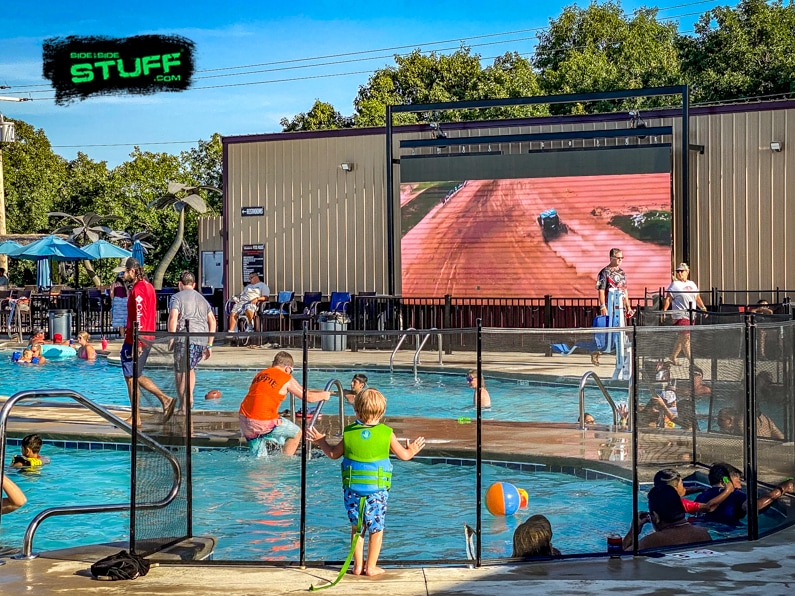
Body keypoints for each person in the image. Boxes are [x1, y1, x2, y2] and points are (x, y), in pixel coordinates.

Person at [307, 388, 426, 577]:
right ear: (381, 412)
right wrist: (412, 449)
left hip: (352, 491)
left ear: (356, 411)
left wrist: (321, 440)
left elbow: (332, 454)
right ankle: (371, 567)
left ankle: (357, 566)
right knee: (376, 529)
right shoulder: (386, 433)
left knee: (357, 528)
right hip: (377, 492)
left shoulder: (349, 433)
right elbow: (404, 456)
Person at [238, 351, 330, 456]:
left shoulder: (261, 374)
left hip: (244, 418)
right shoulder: (285, 377)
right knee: (296, 433)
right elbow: (308, 397)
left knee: (259, 460)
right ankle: (285, 464)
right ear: (288, 368)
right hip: (263, 420)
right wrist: (324, 395)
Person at [120, 257, 176, 426]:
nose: (123, 274)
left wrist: (138, 342)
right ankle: (137, 414)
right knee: (133, 375)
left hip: (137, 338)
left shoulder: (139, 290)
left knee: (132, 376)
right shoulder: (148, 287)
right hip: (142, 337)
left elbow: (140, 315)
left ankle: (162, 400)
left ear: (132, 271)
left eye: (125, 271)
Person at [167, 271, 218, 414]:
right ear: (194, 284)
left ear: (180, 284)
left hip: (184, 338)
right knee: (190, 368)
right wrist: (209, 344)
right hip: (200, 339)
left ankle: (183, 404)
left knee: (180, 370)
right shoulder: (203, 299)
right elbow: (212, 321)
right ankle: (189, 398)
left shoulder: (176, 297)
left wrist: (171, 338)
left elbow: (173, 318)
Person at [695, 462, 794, 526]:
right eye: (738, 481)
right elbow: (753, 507)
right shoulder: (735, 495)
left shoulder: (700, 496)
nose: (740, 486)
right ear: (725, 481)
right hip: (729, 532)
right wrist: (782, 489)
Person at [622, 484, 712, 551]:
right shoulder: (703, 534)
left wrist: (633, 531)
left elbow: (620, 560)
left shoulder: (652, 541)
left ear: (656, 517)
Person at [662, 263, 707, 365]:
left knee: (682, 337)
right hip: (679, 315)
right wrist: (664, 311)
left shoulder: (692, 284)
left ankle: (673, 356)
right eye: (678, 271)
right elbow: (668, 299)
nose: (680, 273)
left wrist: (703, 307)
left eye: (682, 271)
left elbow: (697, 298)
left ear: (687, 272)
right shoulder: (674, 285)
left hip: (691, 315)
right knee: (686, 338)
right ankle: (692, 362)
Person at [653, 468, 734, 515]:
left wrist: (700, 489)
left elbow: (683, 491)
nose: (683, 486)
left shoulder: (655, 497)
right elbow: (708, 507)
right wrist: (728, 490)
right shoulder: (680, 504)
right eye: (681, 483)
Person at [595, 248, 635, 320]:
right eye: (618, 258)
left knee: (621, 329)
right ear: (611, 258)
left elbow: (625, 290)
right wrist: (603, 307)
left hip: (621, 308)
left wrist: (628, 307)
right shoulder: (604, 272)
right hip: (609, 307)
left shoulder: (622, 273)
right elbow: (601, 290)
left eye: (622, 258)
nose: (620, 260)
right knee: (609, 329)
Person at [715, 406, 784, 440]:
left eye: (721, 420)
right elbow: (781, 437)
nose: (718, 423)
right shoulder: (766, 419)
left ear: (731, 420)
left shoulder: (740, 425)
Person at [110, 271, 129, 338]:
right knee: (125, 318)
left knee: (120, 319)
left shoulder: (114, 284)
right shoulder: (124, 284)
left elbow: (111, 292)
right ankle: (125, 334)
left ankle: (122, 335)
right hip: (124, 301)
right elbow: (127, 292)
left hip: (117, 301)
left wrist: (112, 300)